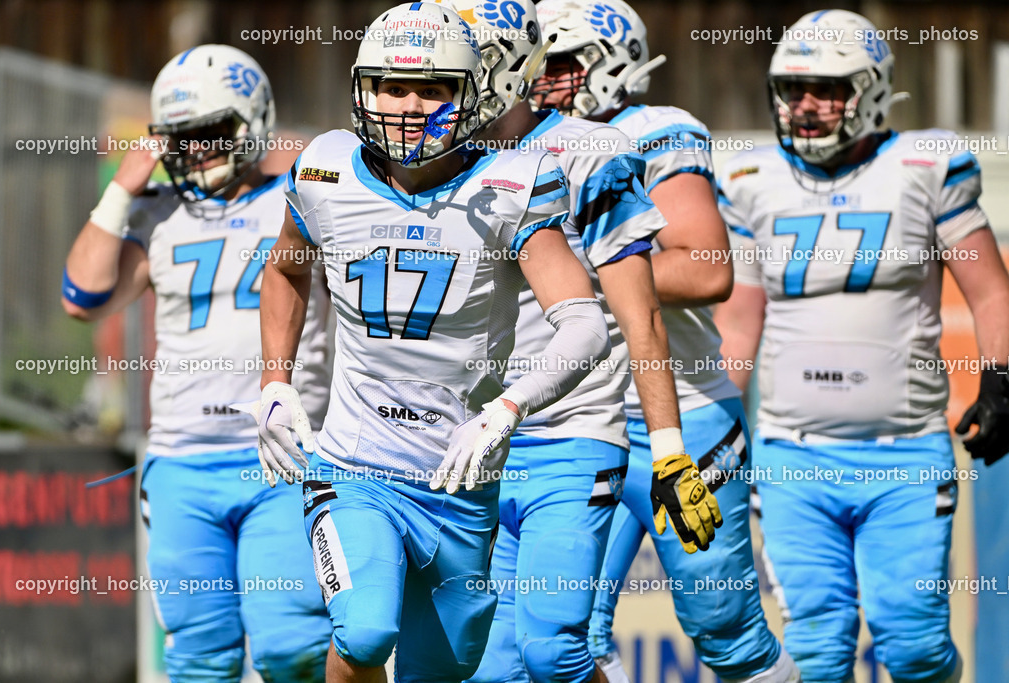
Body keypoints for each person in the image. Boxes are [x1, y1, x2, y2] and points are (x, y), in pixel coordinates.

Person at [248, 3, 625, 681]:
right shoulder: (325, 168)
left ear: (471, 93)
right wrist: (275, 381)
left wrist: (508, 409)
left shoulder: (511, 182)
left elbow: (585, 321)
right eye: (394, 86)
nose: (410, 106)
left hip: (458, 481)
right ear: (364, 88)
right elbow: (284, 266)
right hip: (353, 466)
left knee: (440, 668)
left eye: (433, 88)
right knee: (362, 633)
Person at [714, 9, 1009, 683]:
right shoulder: (750, 180)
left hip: (903, 452)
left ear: (872, 89)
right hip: (793, 454)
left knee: (914, 647)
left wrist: (1001, 379)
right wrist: (715, 430)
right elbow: (737, 329)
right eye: (793, 89)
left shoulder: (925, 166)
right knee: (816, 650)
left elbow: (990, 290)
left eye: (827, 88)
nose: (806, 106)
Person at [433, 2, 724, 682]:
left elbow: (641, 312)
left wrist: (671, 452)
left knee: (558, 649)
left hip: (570, 433)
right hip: (473, 438)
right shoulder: (441, 155)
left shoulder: (592, 151)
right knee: (485, 668)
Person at [529, 1, 800, 682]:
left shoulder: (654, 131)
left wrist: (573, 274)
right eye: (537, 62)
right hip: (570, 420)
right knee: (560, 638)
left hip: (678, 413)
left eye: (560, 62)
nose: (542, 78)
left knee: (725, 629)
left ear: (610, 62)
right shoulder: (517, 143)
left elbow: (706, 266)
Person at [62, 45, 334, 681]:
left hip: (283, 456)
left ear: (254, 122)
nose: (201, 149)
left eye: (215, 132)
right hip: (183, 458)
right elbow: (81, 295)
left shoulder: (305, 197)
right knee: (199, 653)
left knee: (291, 643)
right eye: (184, 138)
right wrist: (120, 190)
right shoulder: (158, 213)